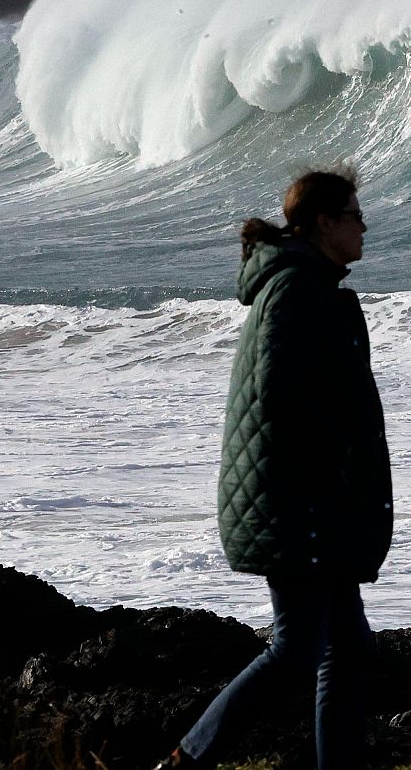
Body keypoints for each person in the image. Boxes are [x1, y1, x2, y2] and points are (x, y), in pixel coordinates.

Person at [156, 164, 393, 769]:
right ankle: (187, 759)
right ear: (323, 222)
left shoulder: (311, 284)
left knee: (347, 646)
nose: (365, 226)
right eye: (354, 214)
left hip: (313, 498)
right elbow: (280, 400)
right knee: (296, 647)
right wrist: (324, 484)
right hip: (295, 501)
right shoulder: (294, 288)